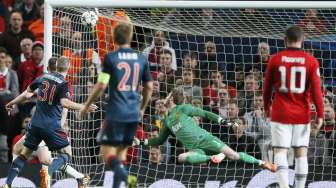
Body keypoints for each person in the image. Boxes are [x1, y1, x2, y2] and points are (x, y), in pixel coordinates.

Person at [2, 57, 97, 188]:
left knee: (24, 154)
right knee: (66, 154)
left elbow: (26, 94)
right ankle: (49, 172)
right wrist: (84, 106)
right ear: (68, 68)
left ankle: (8, 184)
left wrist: (12, 103)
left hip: (35, 125)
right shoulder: (64, 84)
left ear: (55, 66)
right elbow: (65, 104)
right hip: (51, 126)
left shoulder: (43, 78)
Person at [79, 23, 153, 188]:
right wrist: (142, 108)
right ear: (130, 37)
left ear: (113, 38)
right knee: (121, 156)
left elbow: (101, 85)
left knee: (107, 154)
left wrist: (86, 105)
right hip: (133, 113)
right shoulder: (141, 58)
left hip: (116, 112)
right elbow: (149, 87)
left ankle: (127, 179)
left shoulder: (111, 58)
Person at [134, 88, 276, 171]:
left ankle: (263, 163)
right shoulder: (167, 121)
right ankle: (212, 158)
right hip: (196, 148)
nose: (163, 100)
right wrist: (140, 142)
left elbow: (205, 114)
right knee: (181, 157)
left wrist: (222, 121)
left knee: (234, 156)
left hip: (206, 139)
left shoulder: (183, 108)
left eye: (168, 96)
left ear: (170, 99)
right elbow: (158, 140)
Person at [263, 25, 324, 188]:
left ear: (284, 40)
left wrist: (266, 108)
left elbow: (266, 88)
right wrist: (320, 115)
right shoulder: (311, 61)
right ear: (302, 40)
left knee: (280, 152)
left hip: (280, 113)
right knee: (301, 154)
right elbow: (317, 92)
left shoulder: (275, 59)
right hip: (302, 114)